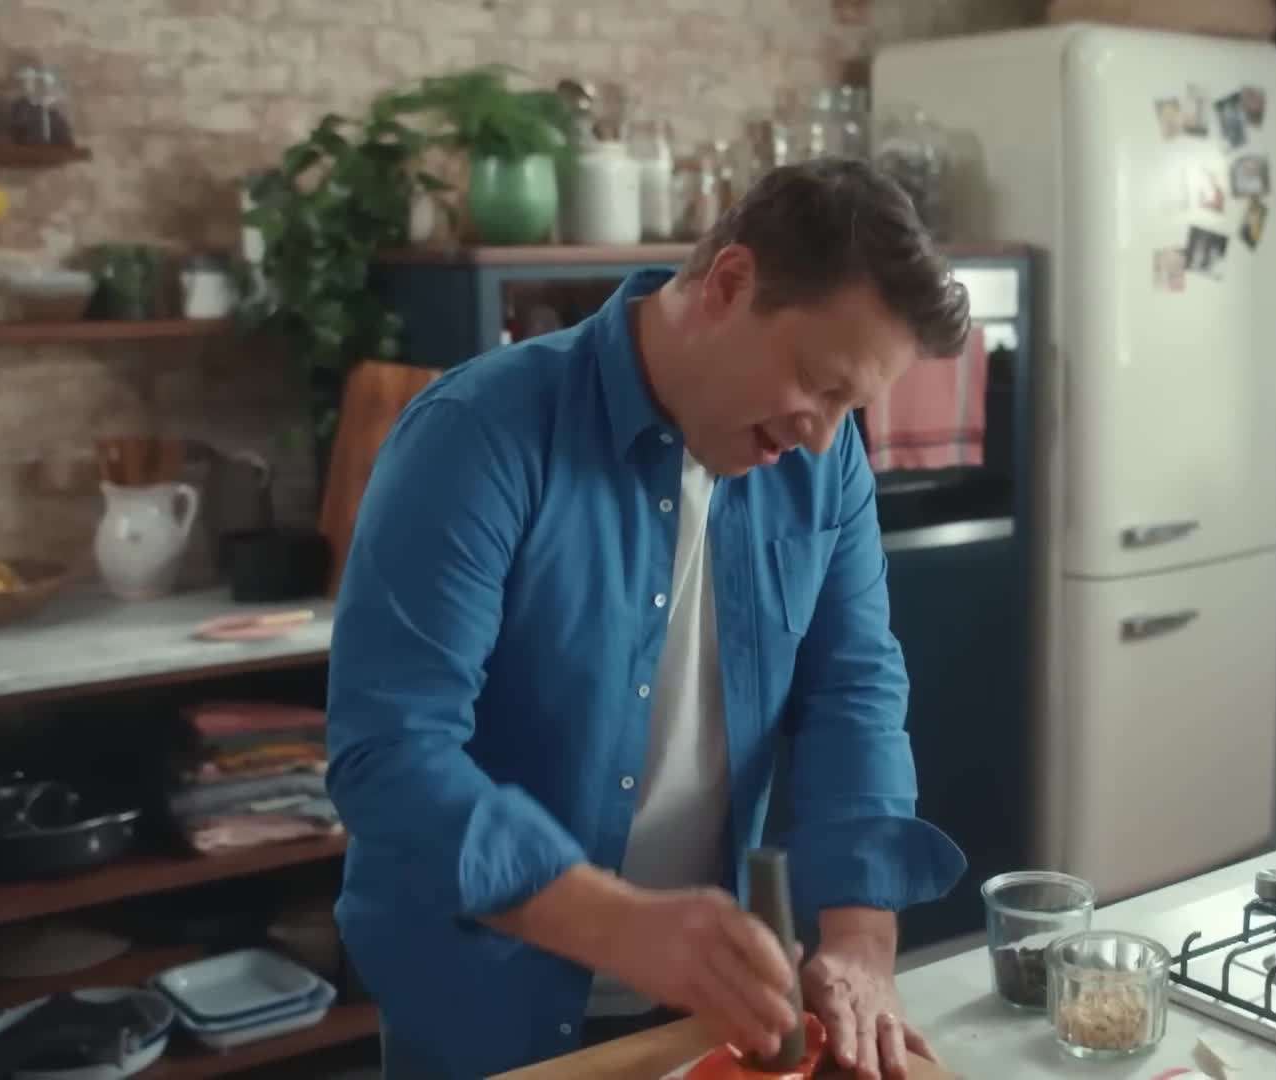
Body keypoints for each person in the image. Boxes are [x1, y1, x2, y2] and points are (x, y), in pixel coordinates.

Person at [324, 158, 972, 1080]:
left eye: (851, 406)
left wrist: (862, 939)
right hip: (482, 1008)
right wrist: (620, 925)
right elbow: (388, 757)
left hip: (700, 999)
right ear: (731, 284)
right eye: (818, 384)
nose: (824, 436)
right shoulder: (477, 435)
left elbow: (852, 689)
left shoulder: (823, 462)